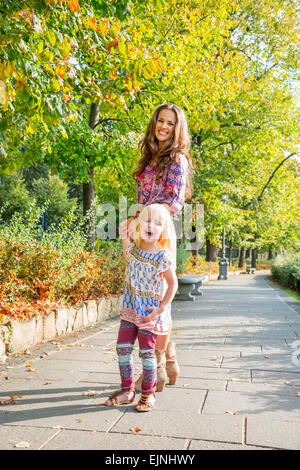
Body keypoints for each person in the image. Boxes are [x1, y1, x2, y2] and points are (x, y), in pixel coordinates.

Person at [120, 103, 192, 391]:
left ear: (178, 128)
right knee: (142, 290)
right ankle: (169, 359)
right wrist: (134, 220)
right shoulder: (148, 158)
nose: (164, 126)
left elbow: (174, 203)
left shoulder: (178, 159)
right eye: (160, 121)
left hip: (159, 230)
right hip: (143, 229)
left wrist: (146, 216)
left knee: (156, 295)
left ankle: (158, 368)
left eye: (170, 123)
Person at [105, 204, 178, 411]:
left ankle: (148, 393)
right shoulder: (134, 250)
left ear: (163, 230)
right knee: (123, 350)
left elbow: (173, 284)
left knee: (147, 354)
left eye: (157, 223)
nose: (151, 226)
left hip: (148, 314)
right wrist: (122, 233)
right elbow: (127, 253)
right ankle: (128, 390)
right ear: (138, 225)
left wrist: (161, 308)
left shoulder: (162, 256)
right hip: (129, 311)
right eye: (147, 221)